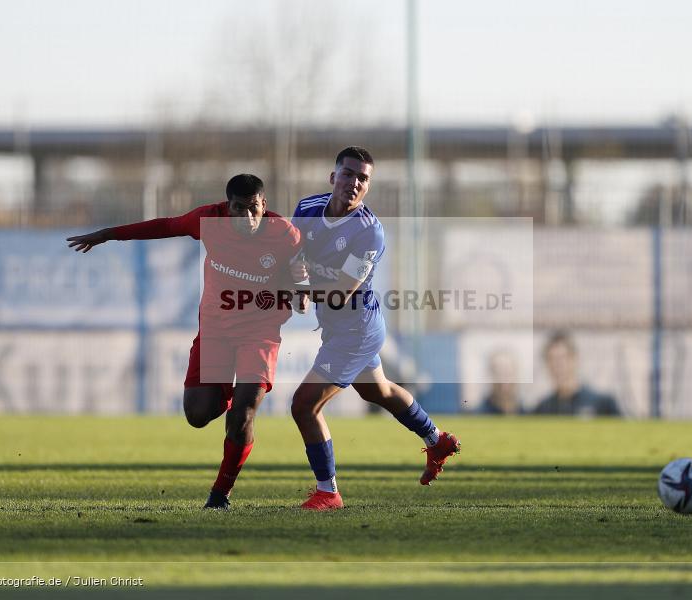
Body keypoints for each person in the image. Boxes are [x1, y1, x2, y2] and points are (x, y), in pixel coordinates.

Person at [66, 174, 303, 510]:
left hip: (259, 334)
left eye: (254, 208)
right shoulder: (209, 220)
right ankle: (231, 398)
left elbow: (302, 269)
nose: (248, 217)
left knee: (243, 415)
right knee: (197, 414)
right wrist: (108, 234)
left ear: (264, 205)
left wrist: (301, 292)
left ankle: (220, 494)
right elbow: (166, 225)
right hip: (216, 333)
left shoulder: (284, 233)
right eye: (240, 208)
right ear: (228, 207)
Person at [289, 146, 461, 511]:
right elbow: (296, 256)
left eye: (363, 178)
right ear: (333, 177)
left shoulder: (369, 233)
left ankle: (328, 492)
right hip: (339, 327)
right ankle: (437, 439)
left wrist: (301, 289)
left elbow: (341, 292)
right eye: (348, 174)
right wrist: (297, 282)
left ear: (368, 186)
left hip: (357, 331)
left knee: (304, 405)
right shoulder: (306, 209)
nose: (354, 183)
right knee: (378, 391)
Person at [533, 331, 621, 416]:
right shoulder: (543, 409)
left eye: (562, 358)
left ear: (575, 359)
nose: (557, 366)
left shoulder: (603, 404)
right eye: (551, 359)